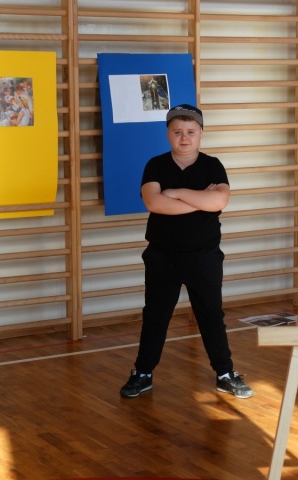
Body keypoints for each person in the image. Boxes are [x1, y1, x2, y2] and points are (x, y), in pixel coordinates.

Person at [119, 104, 254, 400]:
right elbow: (154, 203)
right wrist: (201, 201)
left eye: (191, 132)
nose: (184, 138)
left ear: (201, 133)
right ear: (168, 133)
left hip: (204, 256)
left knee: (211, 315)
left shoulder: (213, 165)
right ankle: (142, 372)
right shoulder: (155, 165)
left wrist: (177, 193)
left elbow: (219, 202)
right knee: (156, 316)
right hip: (162, 256)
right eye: (177, 132)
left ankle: (225, 373)